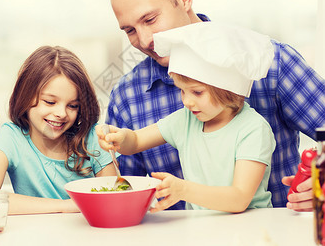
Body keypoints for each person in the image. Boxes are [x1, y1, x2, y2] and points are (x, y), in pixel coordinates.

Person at [107, 0, 325, 211]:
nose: (144, 41)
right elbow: (121, 191)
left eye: (150, 19)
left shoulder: (271, 63)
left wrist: (321, 182)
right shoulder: (128, 95)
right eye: (130, 30)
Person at [98, 21, 277, 212]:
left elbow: (239, 199)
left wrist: (183, 189)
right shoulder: (186, 120)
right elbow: (136, 141)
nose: (187, 101)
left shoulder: (253, 129)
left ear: (228, 89)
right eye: (182, 91)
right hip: (201, 229)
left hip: (249, 231)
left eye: (197, 92)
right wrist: (121, 138)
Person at [0, 46, 116, 214]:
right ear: (24, 96)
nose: (61, 113)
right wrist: (66, 206)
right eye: (50, 102)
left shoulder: (93, 137)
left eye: (73, 106)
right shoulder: (12, 137)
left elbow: (113, 200)